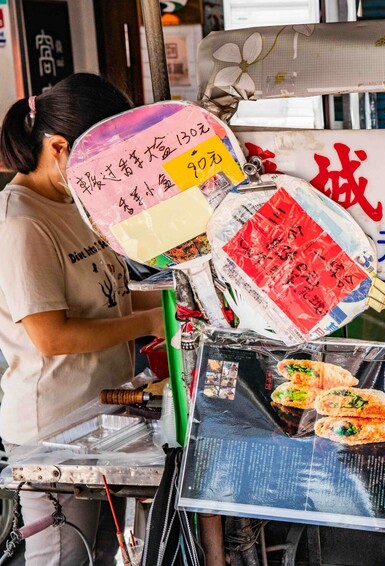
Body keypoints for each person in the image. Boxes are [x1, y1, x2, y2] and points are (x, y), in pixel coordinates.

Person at [0, 73, 165, 565]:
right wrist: (153, 323)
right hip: (53, 429)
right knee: (62, 558)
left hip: (100, 415)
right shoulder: (22, 222)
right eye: (97, 160)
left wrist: (171, 308)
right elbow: (52, 336)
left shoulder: (71, 203)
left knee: (101, 553)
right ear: (58, 147)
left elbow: (110, 299)